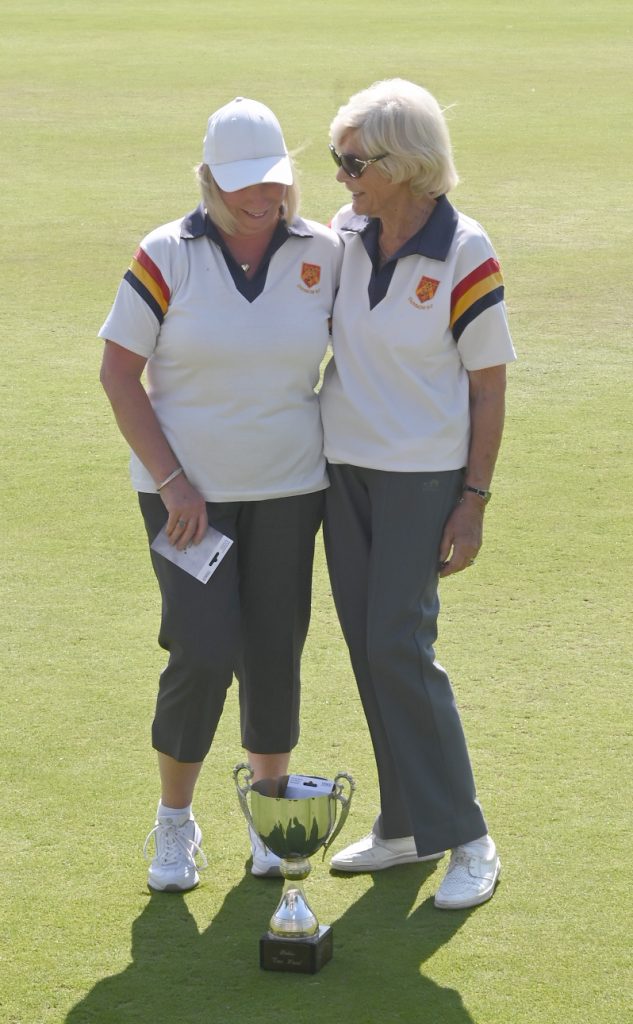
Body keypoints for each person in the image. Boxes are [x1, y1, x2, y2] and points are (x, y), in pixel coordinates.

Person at [99, 97, 342, 892]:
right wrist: (173, 482)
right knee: (200, 651)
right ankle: (175, 821)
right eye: (243, 184)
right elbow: (118, 373)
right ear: (208, 179)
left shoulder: (323, 251)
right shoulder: (165, 254)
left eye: (272, 180)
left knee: (273, 650)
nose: (261, 198)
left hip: (289, 490)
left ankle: (269, 820)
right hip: (184, 500)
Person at [319, 79, 516, 909]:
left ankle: (468, 835)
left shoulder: (465, 250)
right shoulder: (343, 232)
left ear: (402, 164)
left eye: (352, 162)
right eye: (337, 159)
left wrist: (473, 499)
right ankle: (404, 825)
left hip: (421, 479)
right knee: (369, 649)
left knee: (399, 646)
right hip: (342, 472)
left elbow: (487, 386)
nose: (341, 176)